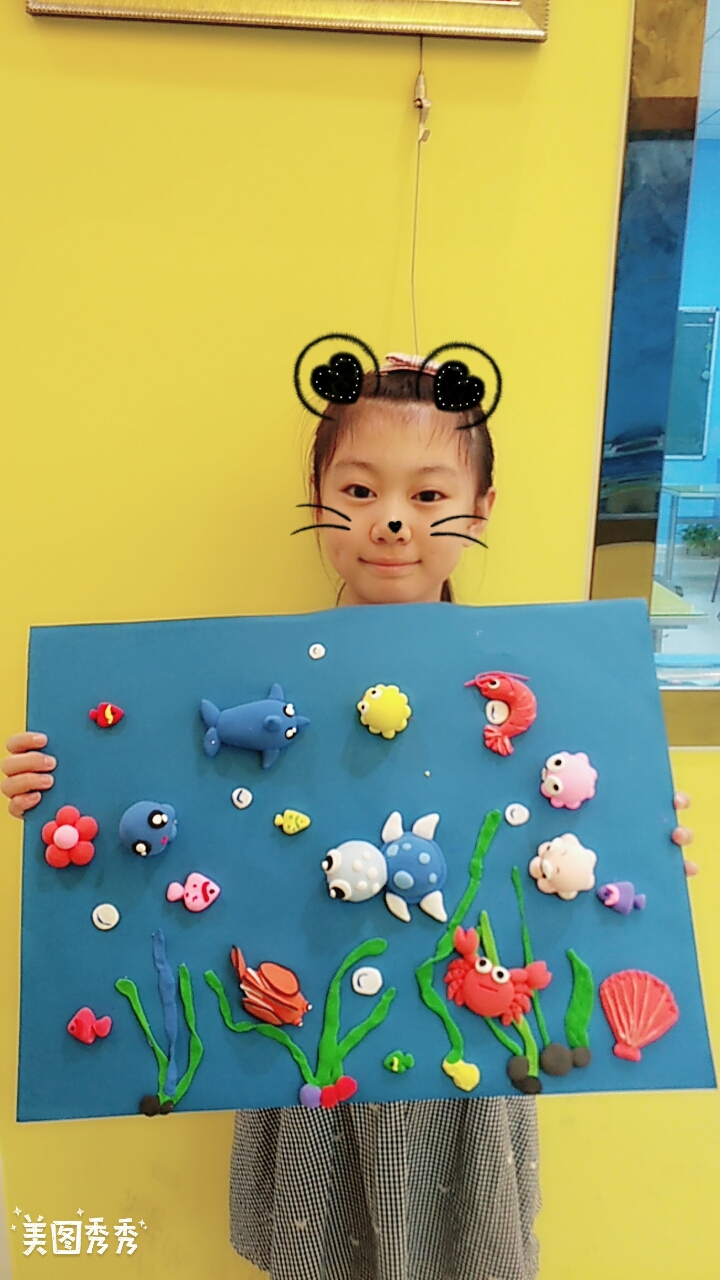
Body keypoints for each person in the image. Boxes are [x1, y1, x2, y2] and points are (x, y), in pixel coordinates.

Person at [2, 351, 696, 1280]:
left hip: (466, 1071)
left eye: (429, 494)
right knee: (313, 1248)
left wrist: (640, 844)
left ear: (482, 507)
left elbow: (574, 855)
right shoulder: (249, 687)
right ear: (319, 499)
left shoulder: (548, 685)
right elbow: (156, 823)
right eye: (360, 490)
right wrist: (56, 789)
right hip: (310, 1072)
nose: (392, 520)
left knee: (465, 1250)